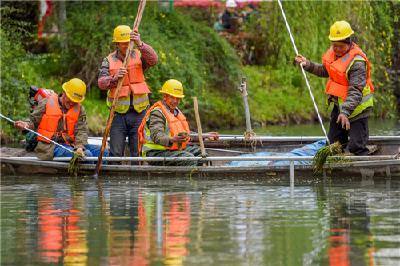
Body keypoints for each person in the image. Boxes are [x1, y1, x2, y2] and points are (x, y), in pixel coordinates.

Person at [294, 21, 374, 155]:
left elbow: (355, 91)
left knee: (356, 147)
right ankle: (338, 170)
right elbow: (324, 71)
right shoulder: (334, 54)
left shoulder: (357, 62)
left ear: (349, 43)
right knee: (334, 145)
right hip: (340, 107)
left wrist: (345, 112)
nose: (337, 49)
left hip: (357, 109)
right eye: (334, 45)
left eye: (341, 46)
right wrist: (307, 64)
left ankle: (367, 169)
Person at [98, 25, 158, 160]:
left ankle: (137, 178)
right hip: (118, 114)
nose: (126, 45)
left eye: (128, 42)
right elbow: (101, 83)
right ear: (117, 43)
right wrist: (114, 78)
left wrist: (140, 44)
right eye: (123, 43)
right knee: (116, 153)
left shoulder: (139, 54)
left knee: (137, 152)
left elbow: (154, 60)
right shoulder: (108, 60)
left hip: (139, 114)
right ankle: (114, 177)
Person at [14, 78, 107, 160]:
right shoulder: (46, 102)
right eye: (70, 100)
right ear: (64, 93)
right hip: (50, 146)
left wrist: (79, 147)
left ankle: (101, 177)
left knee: (104, 152)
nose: (71, 103)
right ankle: (88, 177)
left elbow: (81, 131)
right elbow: (33, 121)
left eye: (74, 102)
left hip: (71, 145)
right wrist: (25, 125)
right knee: (87, 155)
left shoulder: (80, 109)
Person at [138, 79, 219, 166]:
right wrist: (172, 139)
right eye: (172, 97)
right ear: (165, 96)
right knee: (189, 159)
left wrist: (203, 136)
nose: (175, 101)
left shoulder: (175, 112)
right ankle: (190, 178)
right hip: (155, 152)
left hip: (173, 149)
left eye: (178, 98)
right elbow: (157, 136)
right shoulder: (157, 113)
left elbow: (186, 135)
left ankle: (202, 176)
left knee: (202, 154)